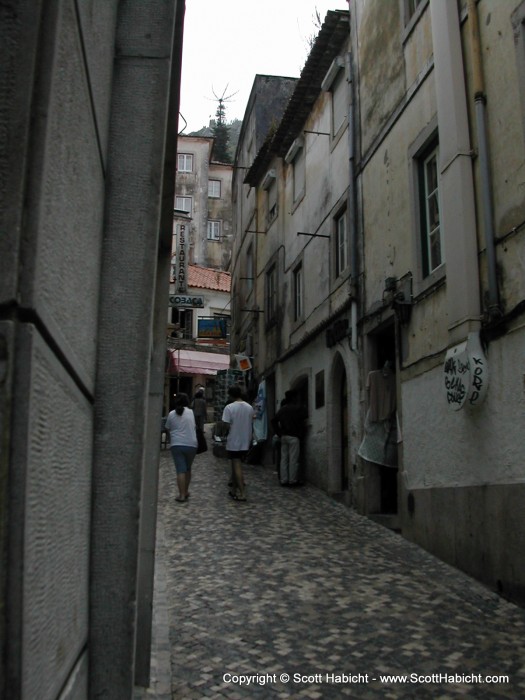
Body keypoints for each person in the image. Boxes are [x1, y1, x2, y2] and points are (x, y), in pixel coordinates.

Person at [221, 384, 254, 501]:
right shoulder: (249, 407)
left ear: (230, 395)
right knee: (237, 465)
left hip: (234, 441)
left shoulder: (229, 408)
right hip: (246, 440)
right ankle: (233, 490)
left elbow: (225, 425)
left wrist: (223, 434)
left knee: (236, 465)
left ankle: (242, 493)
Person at [165, 392, 197, 502]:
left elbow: (168, 429)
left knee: (180, 470)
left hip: (177, 444)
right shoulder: (191, 412)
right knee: (188, 469)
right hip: (192, 444)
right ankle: (186, 491)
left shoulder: (171, 414)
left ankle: (181, 495)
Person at [273, 390, 308, 486]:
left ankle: (284, 480)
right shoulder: (298, 408)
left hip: (284, 436)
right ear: (293, 398)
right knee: (293, 459)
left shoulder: (282, 409)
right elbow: (305, 416)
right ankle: (292, 480)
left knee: (284, 459)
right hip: (294, 436)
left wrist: (279, 433)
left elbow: (274, 421)